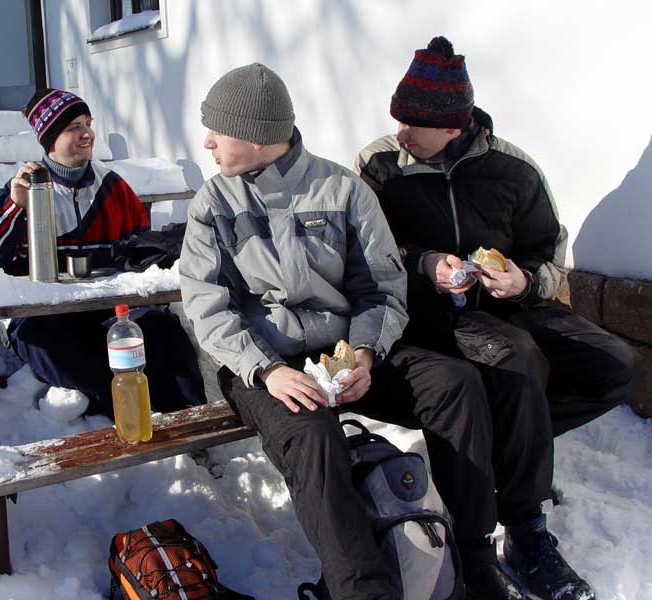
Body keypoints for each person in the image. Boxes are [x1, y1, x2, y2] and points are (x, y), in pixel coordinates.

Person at [181, 62, 506, 600]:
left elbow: (379, 286)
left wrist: (365, 354)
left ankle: (473, 557)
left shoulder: (342, 189)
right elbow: (208, 307)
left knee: (455, 384)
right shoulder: (213, 204)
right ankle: (362, 591)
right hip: (264, 364)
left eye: (218, 130)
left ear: (257, 136)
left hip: (347, 352)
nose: (208, 143)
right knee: (313, 434)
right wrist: (268, 370)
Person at [355, 36, 644, 600]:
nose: (401, 132)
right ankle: (524, 529)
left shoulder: (513, 169)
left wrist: (523, 280)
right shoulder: (381, 166)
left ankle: (500, 452)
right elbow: (366, 251)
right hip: (430, 313)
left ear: (454, 126)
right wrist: (426, 263)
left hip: (512, 305)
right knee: (516, 361)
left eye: (414, 124)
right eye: (399, 119)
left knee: (618, 366)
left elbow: (548, 254)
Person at [0, 88, 206, 417]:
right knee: (50, 346)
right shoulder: (27, 187)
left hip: (107, 307)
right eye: (74, 127)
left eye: (88, 123)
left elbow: (140, 249)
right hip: (44, 315)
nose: (87, 133)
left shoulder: (112, 187)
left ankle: (191, 416)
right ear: (50, 139)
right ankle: (123, 411)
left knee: (163, 332)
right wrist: (13, 206)